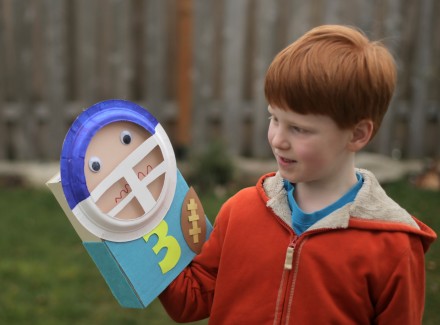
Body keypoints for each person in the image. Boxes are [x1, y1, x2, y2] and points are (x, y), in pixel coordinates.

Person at [159, 25, 437, 324]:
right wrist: (136, 230)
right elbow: (189, 299)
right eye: (274, 118)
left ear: (357, 134)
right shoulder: (240, 212)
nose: (278, 138)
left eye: (299, 128)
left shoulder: (393, 247)